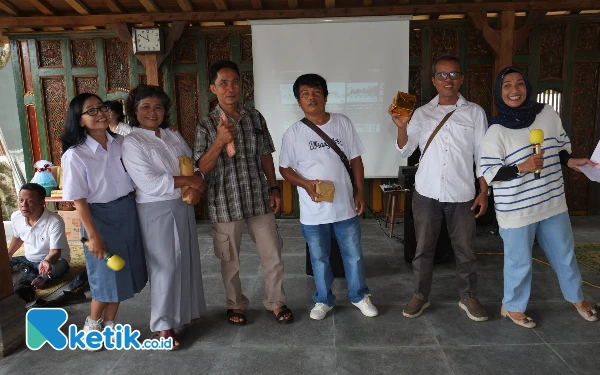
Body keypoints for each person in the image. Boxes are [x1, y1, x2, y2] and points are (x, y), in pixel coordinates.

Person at [480, 66, 598, 327]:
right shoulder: (495, 130)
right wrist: (523, 167)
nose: (514, 90)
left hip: (552, 201)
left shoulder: (547, 114)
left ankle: (578, 298)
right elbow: (489, 173)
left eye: (519, 84)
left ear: (527, 87)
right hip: (516, 210)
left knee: (565, 254)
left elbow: (560, 149)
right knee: (519, 262)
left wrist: (571, 161)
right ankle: (512, 307)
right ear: (500, 92)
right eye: (507, 85)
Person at [390, 55, 489, 321]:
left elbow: (483, 156)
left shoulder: (475, 112)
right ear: (434, 80)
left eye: (454, 74)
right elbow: (405, 151)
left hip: (463, 193)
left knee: (465, 249)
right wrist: (401, 127)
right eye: (443, 75)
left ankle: (468, 296)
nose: (449, 79)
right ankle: (420, 296)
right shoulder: (421, 113)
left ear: (462, 79)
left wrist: (483, 191)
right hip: (426, 192)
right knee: (423, 249)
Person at [193, 60, 293, 325]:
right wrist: (220, 141)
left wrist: (274, 186)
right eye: (223, 83)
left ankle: (276, 301)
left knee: (272, 254)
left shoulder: (254, 117)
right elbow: (201, 167)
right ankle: (235, 304)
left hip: (258, 197)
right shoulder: (205, 125)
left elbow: (265, 155)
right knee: (231, 261)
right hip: (224, 202)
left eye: (235, 82)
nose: (230, 88)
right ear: (212, 88)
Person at [279, 73, 378, 320]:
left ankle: (359, 296)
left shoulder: (342, 123)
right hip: (313, 211)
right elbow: (284, 168)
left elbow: (355, 159)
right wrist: (304, 183)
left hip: (345, 205)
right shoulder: (293, 133)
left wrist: (360, 191)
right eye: (305, 94)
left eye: (316, 91)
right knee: (319, 258)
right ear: (298, 100)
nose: (311, 97)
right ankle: (323, 300)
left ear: (325, 95)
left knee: (353, 254)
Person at [122, 84, 207, 348]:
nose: (152, 112)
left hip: (182, 205)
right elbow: (150, 183)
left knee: (186, 260)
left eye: (158, 106)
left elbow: (190, 163)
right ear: (134, 112)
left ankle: (186, 313)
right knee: (165, 266)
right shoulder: (132, 142)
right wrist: (191, 181)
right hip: (155, 208)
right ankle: (163, 326)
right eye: (145, 107)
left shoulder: (172, 136)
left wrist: (193, 182)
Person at [61, 93, 147, 348]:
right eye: (91, 111)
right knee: (104, 275)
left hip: (127, 211)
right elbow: (78, 200)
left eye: (102, 107)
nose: (99, 113)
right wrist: (93, 236)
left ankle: (110, 326)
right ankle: (92, 324)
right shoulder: (76, 155)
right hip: (99, 217)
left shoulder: (121, 143)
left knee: (122, 272)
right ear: (79, 121)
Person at [7, 183, 70, 289]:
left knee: (50, 271)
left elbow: (55, 251)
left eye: (30, 201)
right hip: (28, 259)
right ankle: (31, 275)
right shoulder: (16, 217)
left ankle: (38, 278)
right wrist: (8, 254)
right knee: (3, 264)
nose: (24, 205)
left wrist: (46, 261)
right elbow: (18, 237)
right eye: (21, 200)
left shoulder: (54, 221)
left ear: (42, 203)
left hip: (53, 260)